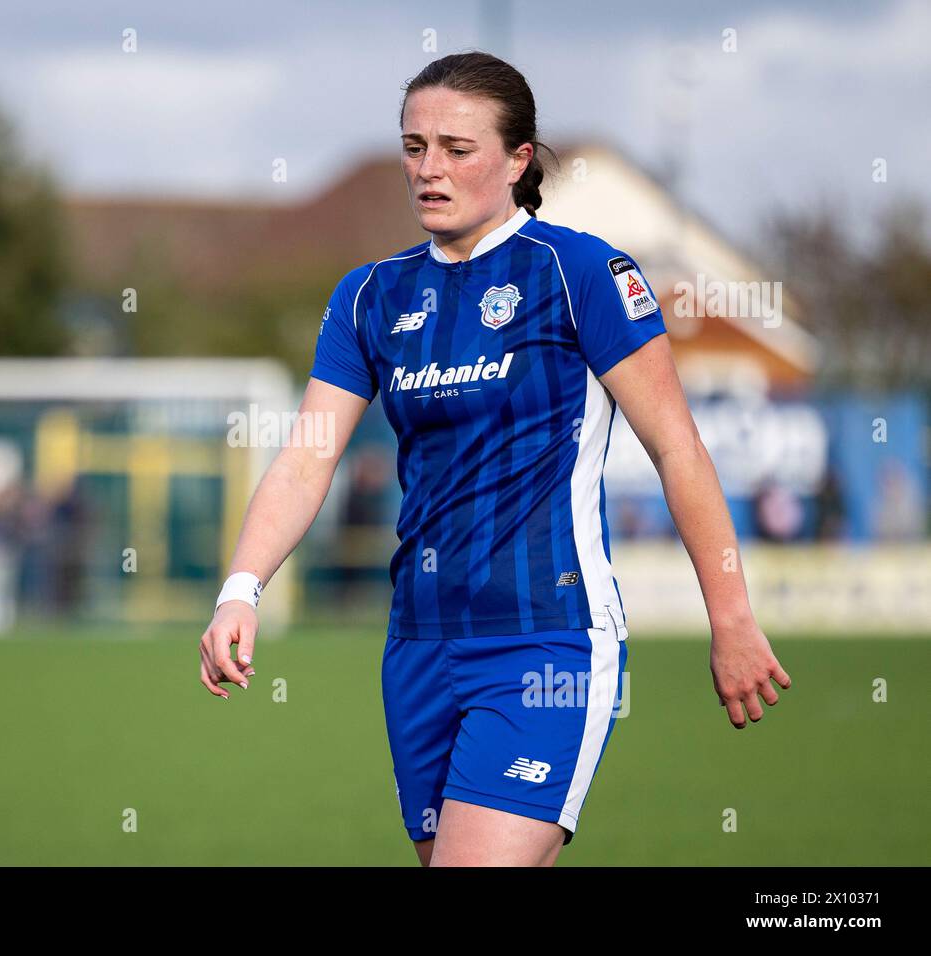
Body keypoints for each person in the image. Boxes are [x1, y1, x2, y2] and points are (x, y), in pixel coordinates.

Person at [197, 52, 791, 866]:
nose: (428, 169)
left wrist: (732, 620)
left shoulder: (581, 272)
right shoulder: (369, 296)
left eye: (455, 147)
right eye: (413, 147)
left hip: (547, 643)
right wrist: (241, 590)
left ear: (518, 161)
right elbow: (306, 460)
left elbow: (676, 450)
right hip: (417, 645)